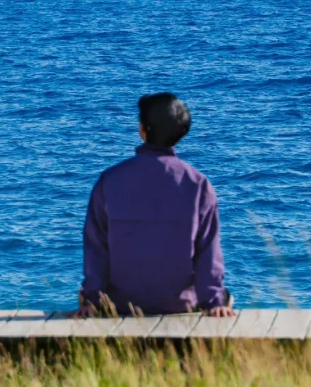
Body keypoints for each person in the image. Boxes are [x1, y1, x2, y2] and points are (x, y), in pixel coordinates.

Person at [76, 93, 235, 317]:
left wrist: (91, 300)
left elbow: (97, 247)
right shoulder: (198, 184)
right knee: (226, 296)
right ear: (181, 133)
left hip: (120, 304)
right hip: (180, 304)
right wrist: (214, 301)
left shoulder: (110, 180)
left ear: (142, 130)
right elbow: (207, 252)